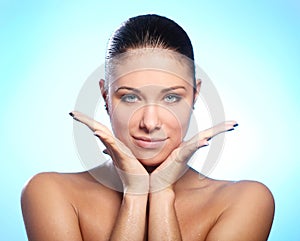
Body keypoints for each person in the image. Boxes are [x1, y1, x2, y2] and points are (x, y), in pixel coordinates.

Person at [21, 14, 275, 241]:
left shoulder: (244, 201)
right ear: (105, 96)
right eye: (130, 97)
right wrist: (135, 195)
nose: (150, 123)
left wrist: (162, 194)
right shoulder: (51, 193)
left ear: (195, 96)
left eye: (171, 98)